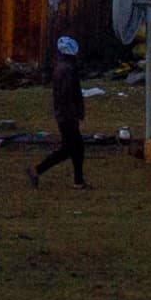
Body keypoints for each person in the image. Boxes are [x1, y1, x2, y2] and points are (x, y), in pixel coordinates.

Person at [26, 34, 91, 188]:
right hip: (67, 115)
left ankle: (78, 181)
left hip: (64, 114)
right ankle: (37, 170)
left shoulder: (62, 67)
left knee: (76, 148)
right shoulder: (68, 69)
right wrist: (76, 112)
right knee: (70, 149)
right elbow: (69, 94)